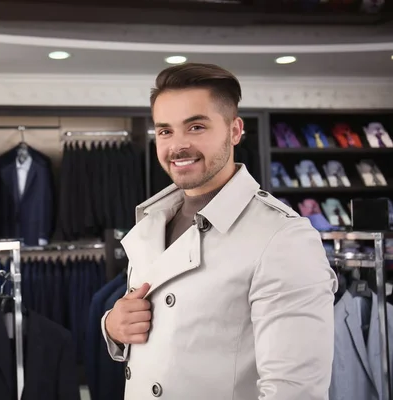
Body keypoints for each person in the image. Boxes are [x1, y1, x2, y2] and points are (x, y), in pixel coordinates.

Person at [102, 63, 337, 399]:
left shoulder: (282, 238)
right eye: (165, 131)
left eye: (196, 127)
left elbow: (294, 390)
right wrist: (113, 325)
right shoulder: (152, 222)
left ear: (235, 130)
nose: (177, 146)